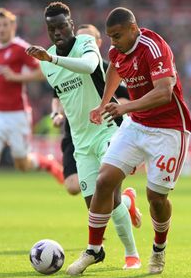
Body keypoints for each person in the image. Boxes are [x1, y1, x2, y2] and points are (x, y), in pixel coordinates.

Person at [66, 7, 191, 275]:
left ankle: (159, 249)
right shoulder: (117, 51)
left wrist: (124, 107)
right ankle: (94, 250)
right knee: (104, 181)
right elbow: (114, 68)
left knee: (156, 198)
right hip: (137, 125)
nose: (113, 42)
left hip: (169, 129)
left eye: (118, 35)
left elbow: (164, 92)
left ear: (133, 29)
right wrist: (103, 104)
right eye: (110, 36)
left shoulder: (154, 47)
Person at [25, 2, 141, 269]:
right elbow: (65, 95)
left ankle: (131, 255)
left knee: (106, 191)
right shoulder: (46, 63)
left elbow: (90, 67)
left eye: (62, 26)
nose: (57, 32)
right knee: (98, 208)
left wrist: (51, 58)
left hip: (108, 129)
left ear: (71, 25)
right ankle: (127, 201)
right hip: (81, 141)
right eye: (51, 28)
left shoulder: (85, 43)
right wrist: (57, 112)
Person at [0, 8, 64, 221]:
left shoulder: (21, 49)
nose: (1, 29)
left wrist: (16, 77)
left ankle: (48, 164)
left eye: (5, 25)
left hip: (17, 114)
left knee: (22, 164)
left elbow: (43, 72)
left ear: (13, 27)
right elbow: (0, 74)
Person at [52, 23, 132, 198]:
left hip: (101, 131)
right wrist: (56, 113)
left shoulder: (105, 68)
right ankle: (127, 202)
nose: (83, 42)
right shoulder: (66, 68)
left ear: (98, 42)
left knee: (103, 187)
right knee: (73, 187)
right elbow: (57, 95)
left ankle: (120, 204)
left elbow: (127, 96)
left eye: (88, 39)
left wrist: (115, 108)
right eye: (79, 39)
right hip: (75, 134)